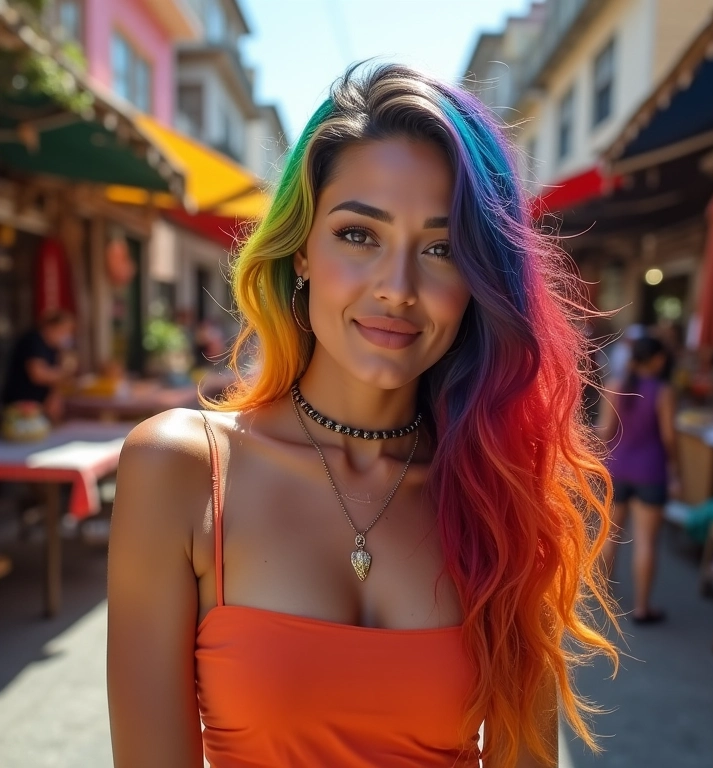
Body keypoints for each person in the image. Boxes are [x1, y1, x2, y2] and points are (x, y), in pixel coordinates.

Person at [107, 64, 617, 768]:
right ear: (304, 249)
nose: (398, 288)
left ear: (478, 281)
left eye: (441, 249)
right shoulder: (182, 470)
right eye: (358, 234)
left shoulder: (502, 491)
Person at [598, 336, 677, 624]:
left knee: (610, 534)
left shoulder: (615, 386)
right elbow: (668, 437)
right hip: (651, 471)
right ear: (656, 360)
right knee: (645, 542)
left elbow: (605, 431)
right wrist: (676, 470)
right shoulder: (662, 391)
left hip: (617, 468)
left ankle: (604, 596)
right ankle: (642, 608)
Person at [1, 309, 77, 422]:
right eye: (64, 330)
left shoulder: (53, 347)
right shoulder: (34, 341)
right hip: (21, 405)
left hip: (40, 406)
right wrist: (64, 374)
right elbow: (38, 375)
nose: (66, 335)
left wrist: (55, 395)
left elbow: (54, 378)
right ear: (51, 326)